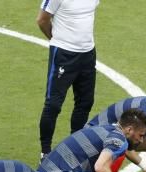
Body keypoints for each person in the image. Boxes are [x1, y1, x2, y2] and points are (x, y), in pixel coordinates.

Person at [36, 0, 99, 159]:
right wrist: (58, 40)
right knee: (54, 104)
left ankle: (75, 147)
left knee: (85, 102)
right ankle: (45, 152)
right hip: (64, 54)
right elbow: (42, 20)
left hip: (88, 53)